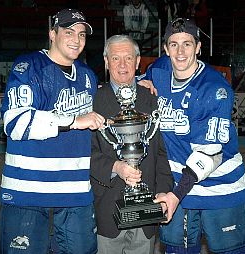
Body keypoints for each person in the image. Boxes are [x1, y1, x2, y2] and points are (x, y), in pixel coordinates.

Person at [139, 17, 245, 253]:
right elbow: (139, 81)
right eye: (174, 44)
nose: (180, 51)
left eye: (187, 44)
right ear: (165, 48)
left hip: (220, 190)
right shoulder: (160, 69)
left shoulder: (214, 88)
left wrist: (175, 195)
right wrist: (138, 83)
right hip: (177, 190)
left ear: (198, 47)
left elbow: (209, 156)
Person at [0, 8, 105, 254]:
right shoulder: (28, 67)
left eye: (81, 34)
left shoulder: (88, 76)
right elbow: (15, 123)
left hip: (75, 194)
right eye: (69, 32)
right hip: (28, 193)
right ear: (52, 34)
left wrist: (144, 79)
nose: (76, 40)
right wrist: (73, 120)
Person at [90, 34, 173, 254]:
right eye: (116, 59)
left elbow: (161, 154)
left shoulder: (152, 97)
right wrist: (116, 167)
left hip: (147, 210)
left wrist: (164, 192)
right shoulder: (92, 100)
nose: (123, 65)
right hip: (108, 209)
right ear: (107, 63)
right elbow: (86, 154)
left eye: (129, 58)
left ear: (138, 62)